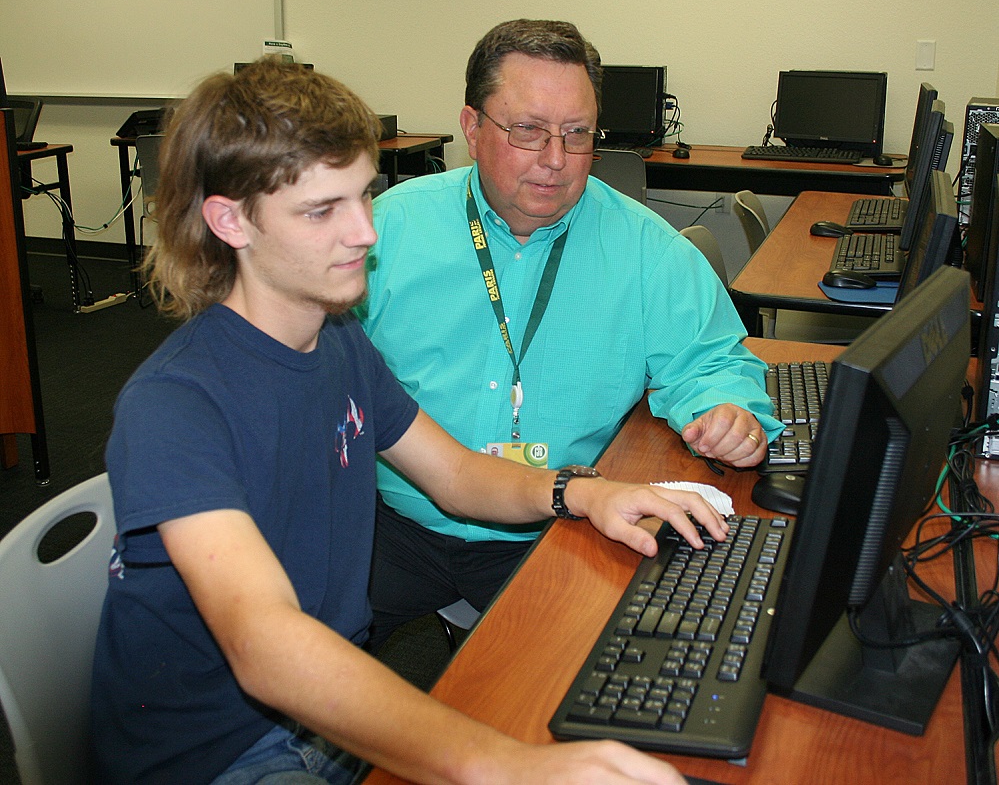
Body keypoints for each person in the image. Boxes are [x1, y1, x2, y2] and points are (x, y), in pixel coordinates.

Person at [89, 55, 725, 785]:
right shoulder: (177, 403)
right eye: (323, 210)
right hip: (219, 748)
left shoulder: (336, 345)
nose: (365, 233)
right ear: (230, 220)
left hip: (324, 720)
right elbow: (266, 645)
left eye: (364, 196)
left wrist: (584, 491)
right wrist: (501, 765)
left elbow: (452, 474)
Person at [360, 19, 782, 649]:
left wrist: (728, 413)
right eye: (528, 131)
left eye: (577, 135)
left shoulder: (646, 248)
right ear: (472, 130)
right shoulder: (384, 230)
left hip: (559, 524)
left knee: (601, 690)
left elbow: (709, 359)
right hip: (392, 519)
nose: (555, 161)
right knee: (278, 694)